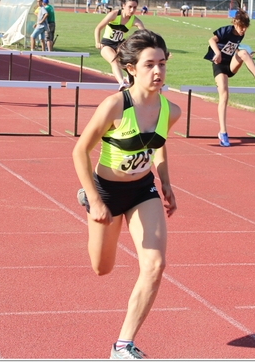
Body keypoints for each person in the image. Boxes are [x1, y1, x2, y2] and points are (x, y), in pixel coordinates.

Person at [72, 29, 181, 361]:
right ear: (132, 68)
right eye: (150, 64)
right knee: (102, 268)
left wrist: (166, 182)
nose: (158, 72)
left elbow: (157, 147)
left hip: (141, 189)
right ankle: (84, 197)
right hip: (106, 190)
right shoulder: (115, 106)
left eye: (162, 63)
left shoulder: (170, 110)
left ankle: (122, 345)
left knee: (155, 264)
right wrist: (97, 199)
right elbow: (79, 151)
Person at [204, 10, 255, 147]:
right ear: (235, 24)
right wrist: (217, 53)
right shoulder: (226, 30)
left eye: (245, 28)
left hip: (230, 65)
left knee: (243, 52)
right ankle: (223, 133)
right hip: (219, 65)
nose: (243, 31)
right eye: (241, 27)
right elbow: (211, 40)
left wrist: (245, 57)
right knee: (224, 95)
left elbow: (232, 49)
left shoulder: (241, 35)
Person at [95, 0, 146, 90]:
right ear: (123, 6)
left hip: (120, 44)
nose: (132, 10)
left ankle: (134, 79)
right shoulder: (114, 14)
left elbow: (144, 34)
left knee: (130, 61)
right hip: (107, 44)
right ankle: (122, 83)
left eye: (135, 8)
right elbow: (98, 28)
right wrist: (97, 42)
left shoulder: (135, 20)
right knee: (114, 60)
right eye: (130, 7)